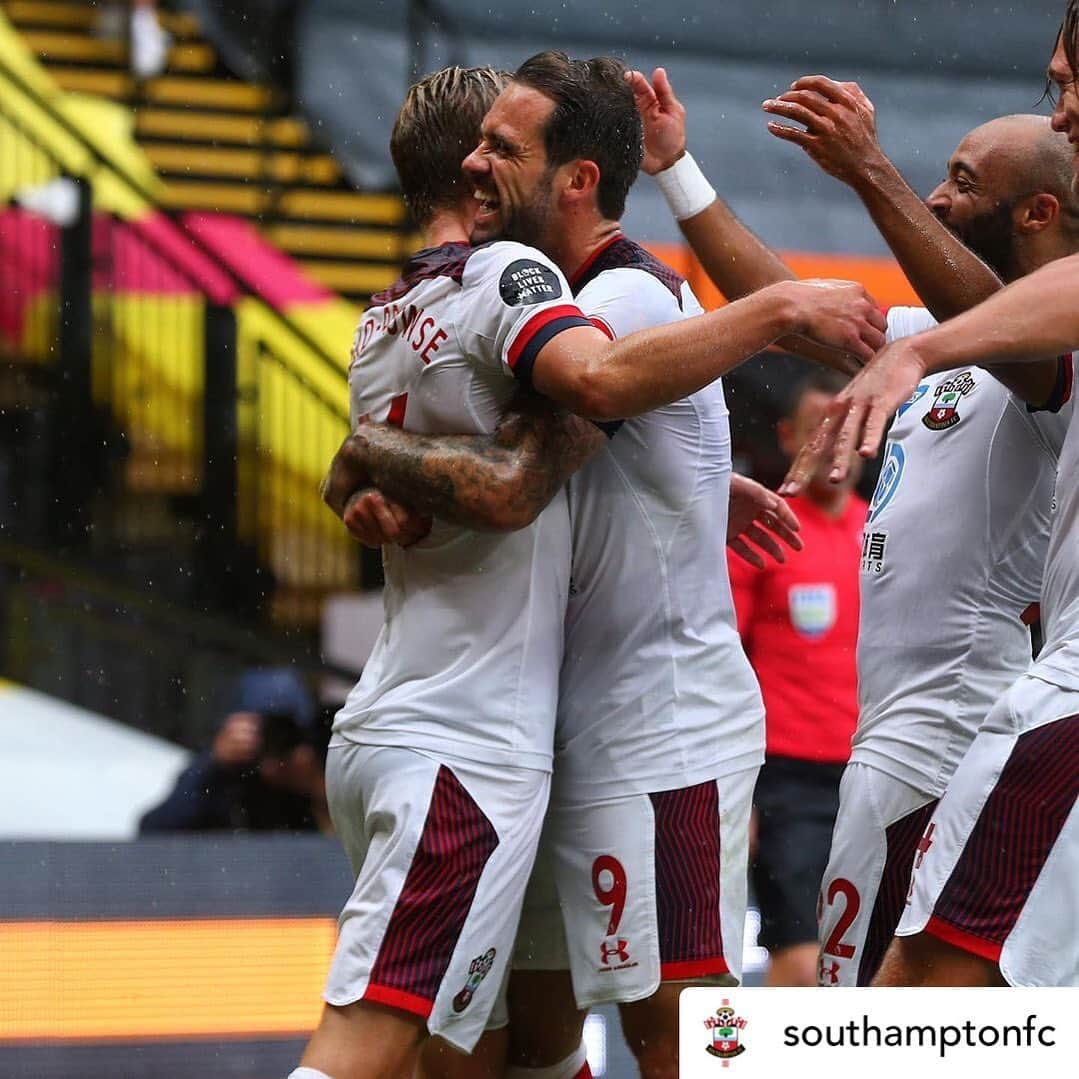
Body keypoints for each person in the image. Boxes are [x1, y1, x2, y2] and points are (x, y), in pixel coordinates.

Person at [296, 62, 883, 1079]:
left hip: (659, 726)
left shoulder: (621, 291)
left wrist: (361, 456)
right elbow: (560, 442)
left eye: (503, 148)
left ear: (571, 179)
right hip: (553, 731)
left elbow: (531, 458)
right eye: (476, 143)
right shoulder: (545, 300)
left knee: (686, 1036)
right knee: (533, 1036)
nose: (479, 166)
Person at [629, 64, 1077, 987]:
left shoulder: (1045, 356)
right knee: (915, 1028)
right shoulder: (951, 334)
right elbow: (784, 309)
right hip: (890, 741)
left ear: (1034, 213)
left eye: (961, 181)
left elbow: (976, 321)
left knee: (877, 1028)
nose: (939, 199)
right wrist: (677, 172)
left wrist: (871, 172)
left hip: (952, 734)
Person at [778, 3, 1079, 988]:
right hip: (922, 724)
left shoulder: (1020, 347)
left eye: (1069, 85)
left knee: (897, 1008)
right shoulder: (980, 328)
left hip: (975, 714)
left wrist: (921, 345)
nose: (1061, 112)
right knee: (980, 1011)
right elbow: (804, 317)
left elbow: (998, 322)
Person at [727, 369, 864, 987]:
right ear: (788, 438)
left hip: (878, 773)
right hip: (788, 781)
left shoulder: (891, 529)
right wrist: (739, 791)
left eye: (851, 432)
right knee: (802, 952)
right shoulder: (762, 529)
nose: (837, 447)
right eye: (820, 432)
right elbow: (724, 659)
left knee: (871, 956)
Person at [139, 667, 328, 833]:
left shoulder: (307, 775)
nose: (274, 740)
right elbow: (153, 833)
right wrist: (214, 765)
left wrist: (318, 787)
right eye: (264, 730)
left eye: (285, 731)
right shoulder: (223, 776)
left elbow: (344, 847)